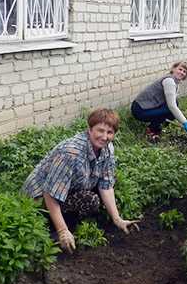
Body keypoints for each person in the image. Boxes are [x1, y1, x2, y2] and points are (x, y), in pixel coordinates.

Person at [22, 108, 139, 253]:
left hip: (66, 191)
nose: (104, 137)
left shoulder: (107, 149)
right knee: (90, 200)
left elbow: (106, 186)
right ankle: (53, 228)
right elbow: (50, 194)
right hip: (38, 200)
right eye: (100, 130)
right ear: (89, 130)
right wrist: (62, 231)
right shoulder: (71, 152)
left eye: (110, 132)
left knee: (99, 194)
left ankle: (66, 225)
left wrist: (117, 219)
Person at [131, 61, 187, 141]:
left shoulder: (175, 82)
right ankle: (152, 130)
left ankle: (156, 127)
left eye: (184, 71)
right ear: (174, 69)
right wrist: (185, 122)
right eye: (180, 69)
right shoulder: (169, 81)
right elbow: (172, 106)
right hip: (139, 110)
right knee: (170, 110)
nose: (182, 72)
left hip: (146, 107)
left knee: (173, 106)